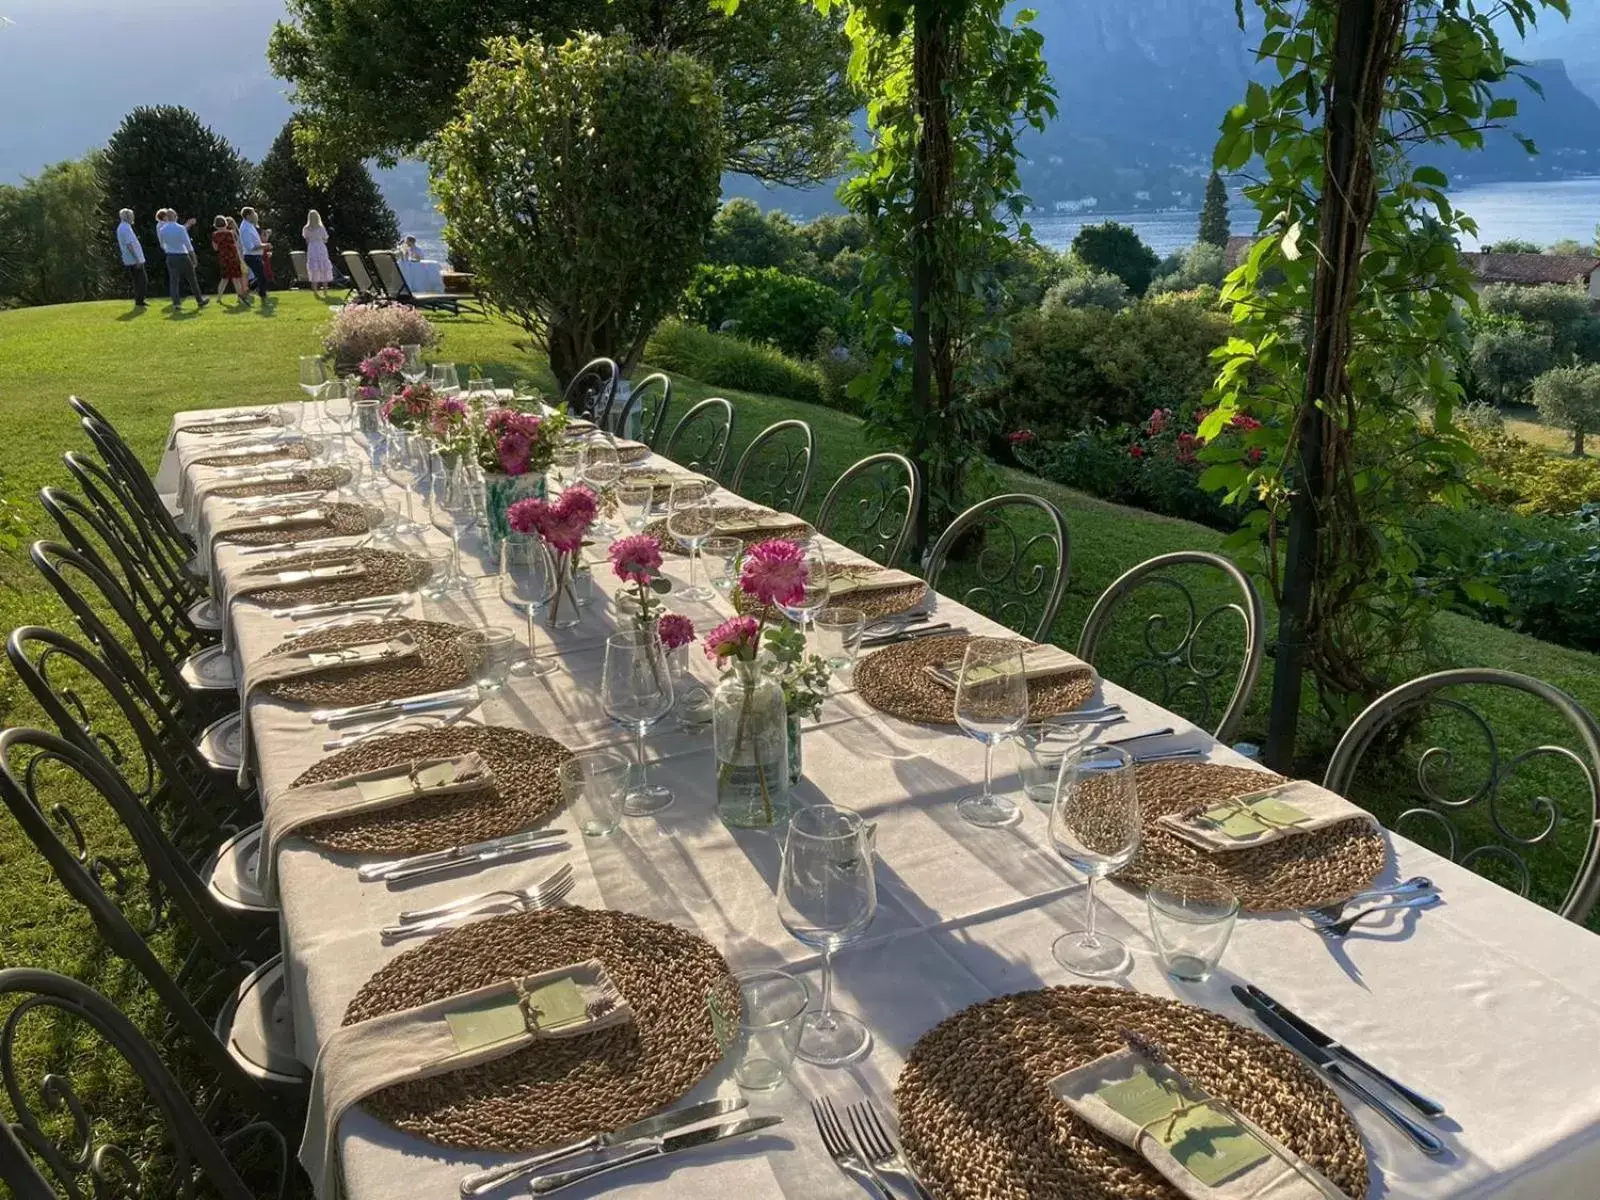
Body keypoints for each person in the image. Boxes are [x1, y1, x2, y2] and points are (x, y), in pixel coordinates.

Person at [155, 208, 207, 309]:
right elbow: (188, 245)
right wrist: (194, 257)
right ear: (175, 216)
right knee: (192, 279)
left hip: (170, 256)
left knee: (173, 281)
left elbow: (163, 244)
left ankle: (176, 303)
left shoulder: (162, 230)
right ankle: (199, 300)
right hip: (182, 255)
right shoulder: (180, 228)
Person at [210, 215, 251, 306]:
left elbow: (215, 248)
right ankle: (241, 296)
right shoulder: (230, 233)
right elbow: (236, 245)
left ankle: (219, 298)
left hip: (223, 258)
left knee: (224, 279)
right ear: (225, 223)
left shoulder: (215, 235)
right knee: (236, 278)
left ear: (216, 225)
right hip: (233, 257)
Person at [114, 207, 147, 308]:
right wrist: (137, 259)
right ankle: (139, 301)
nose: (133, 217)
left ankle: (139, 300)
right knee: (141, 280)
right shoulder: (125, 228)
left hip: (131, 259)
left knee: (138, 280)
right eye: (132, 215)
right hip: (133, 259)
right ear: (128, 217)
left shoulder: (123, 227)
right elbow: (129, 245)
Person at [238, 206, 270, 300]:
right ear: (248, 216)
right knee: (262, 278)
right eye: (253, 214)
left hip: (255, 256)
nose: (255, 215)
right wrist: (264, 246)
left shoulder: (249, 225)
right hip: (251, 256)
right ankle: (260, 295)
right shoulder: (245, 228)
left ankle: (248, 293)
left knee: (261, 278)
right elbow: (250, 247)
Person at [302, 209, 335, 299]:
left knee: (314, 268)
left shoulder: (306, 228)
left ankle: (315, 291)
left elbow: (307, 240)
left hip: (312, 248)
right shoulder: (321, 228)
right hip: (321, 247)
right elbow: (325, 238)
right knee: (323, 267)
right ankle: (325, 290)